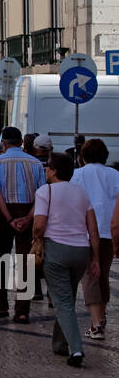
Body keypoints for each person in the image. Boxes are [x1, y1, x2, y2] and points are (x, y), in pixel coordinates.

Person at [33, 151, 99, 366]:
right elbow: (93, 227)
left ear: (54, 170)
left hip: (57, 250)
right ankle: (59, 344)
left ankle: (76, 350)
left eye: (48, 167)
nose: (46, 170)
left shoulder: (45, 191)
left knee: (63, 302)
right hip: (80, 251)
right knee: (67, 297)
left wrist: (36, 237)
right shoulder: (82, 193)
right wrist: (95, 257)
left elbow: (40, 224)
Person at [0, 125, 45, 323]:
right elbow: (42, 195)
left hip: (4, 213)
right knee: (26, 262)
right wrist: (28, 217)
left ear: (3, 143)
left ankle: (2, 305)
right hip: (29, 210)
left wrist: (9, 218)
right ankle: (22, 310)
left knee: (1, 257)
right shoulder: (36, 163)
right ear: (21, 142)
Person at [72, 138, 119, 341]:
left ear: (83, 156)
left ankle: (96, 323)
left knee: (90, 276)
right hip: (108, 233)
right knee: (102, 275)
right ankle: (101, 315)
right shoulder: (115, 174)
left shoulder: (77, 175)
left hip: (84, 233)